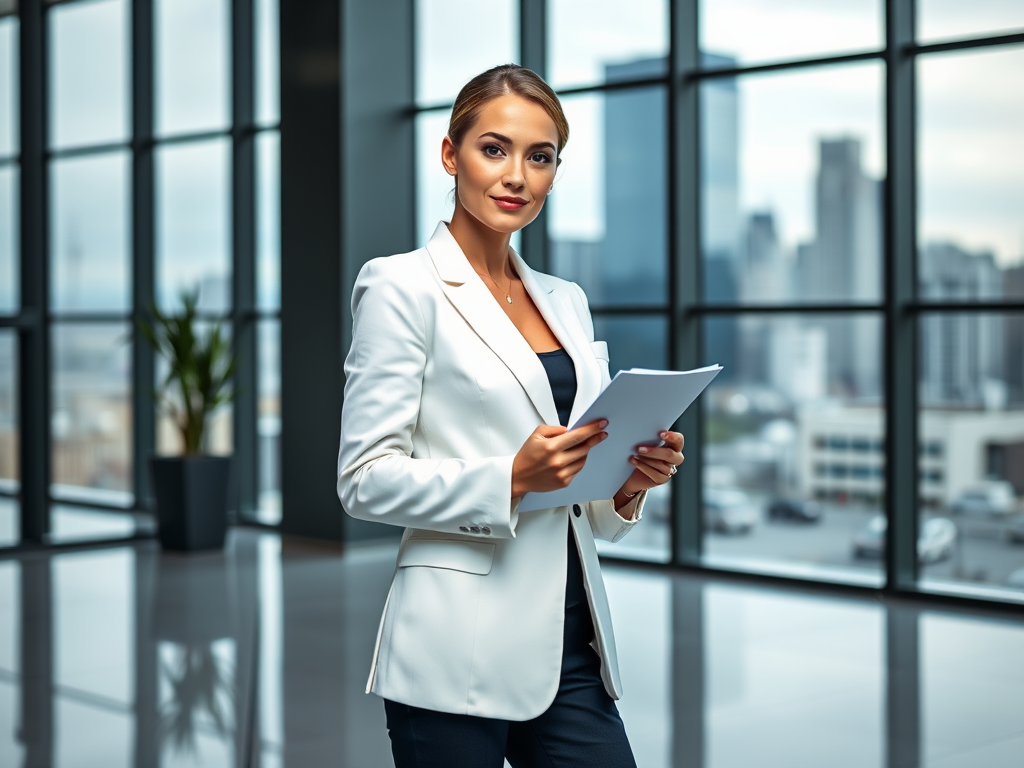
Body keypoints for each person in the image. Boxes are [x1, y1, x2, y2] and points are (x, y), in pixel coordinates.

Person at [337, 64, 685, 768]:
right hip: (453, 646)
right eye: (494, 149)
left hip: (571, 640)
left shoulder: (566, 299)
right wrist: (509, 478)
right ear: (449, 155)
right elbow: (363, 479)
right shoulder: (401, 286)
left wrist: (627, 482)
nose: (517, 176)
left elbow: (578, 475)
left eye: (540, 156)